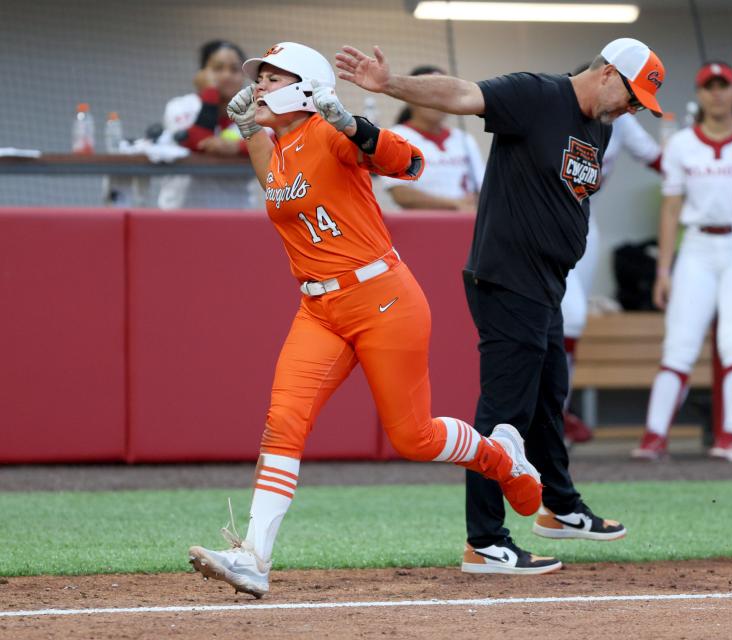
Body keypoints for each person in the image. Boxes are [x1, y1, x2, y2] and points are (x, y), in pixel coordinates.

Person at [187, 42, 543, 598]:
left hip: (382, 299)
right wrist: (253, 132)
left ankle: (501, 454)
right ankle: (253, 556)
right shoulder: (280, 143)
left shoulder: (332, 132)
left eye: (271, 77)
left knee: (413, 436)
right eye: (260, 77)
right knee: (284, 420)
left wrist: (354, 125)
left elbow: (411, 163)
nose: (257, 85)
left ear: (304, 89)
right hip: (319, 307)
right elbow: (277, 186)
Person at [336, 37, 665, 574]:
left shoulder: (600, 126)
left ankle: (558, 506)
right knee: (503, 412)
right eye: (632, 97)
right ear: (606, 72)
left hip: (548, 282)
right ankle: (484, 540)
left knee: (547, 397)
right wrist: (388, 83)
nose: (632, 111)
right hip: (509, 278)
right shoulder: (536, 95)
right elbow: (464, 94)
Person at [630, 61, 732, 463]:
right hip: (697, 246)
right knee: (678, 347)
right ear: (699, 94)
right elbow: (670, 208)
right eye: (708, 87)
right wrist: (663, 269)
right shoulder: (682, 143)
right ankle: (654, 437)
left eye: (723, 86)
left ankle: (731, 437)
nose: (716, 93)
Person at [561, 109, 662, 444]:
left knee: (572, 320)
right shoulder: (552, 107)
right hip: (542, 218)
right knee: (561, 316)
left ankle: (556, 410)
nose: (624, 105)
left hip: (584, 219)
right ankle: (542, 411)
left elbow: (658, 159)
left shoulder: (621, 116)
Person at [158, 40, 261, 209]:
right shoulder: (179, 106)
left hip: (236, 216)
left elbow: (274, 146)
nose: (226, 75)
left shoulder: (257, 112)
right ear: (201, 74)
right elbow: (199, 141)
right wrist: (211, 93)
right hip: (182, 212)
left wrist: (236, 148)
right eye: (218, 68)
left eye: (234, 69)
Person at [381, 65, 486, 212]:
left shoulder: (465, 139)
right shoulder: (394, 137)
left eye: (443, 94)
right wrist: (454, 204)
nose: (435, 101)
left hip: (465, 227)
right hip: (419, 229)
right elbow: (401, 194)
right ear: (409, 97)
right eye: (428, 92)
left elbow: (483, 189)